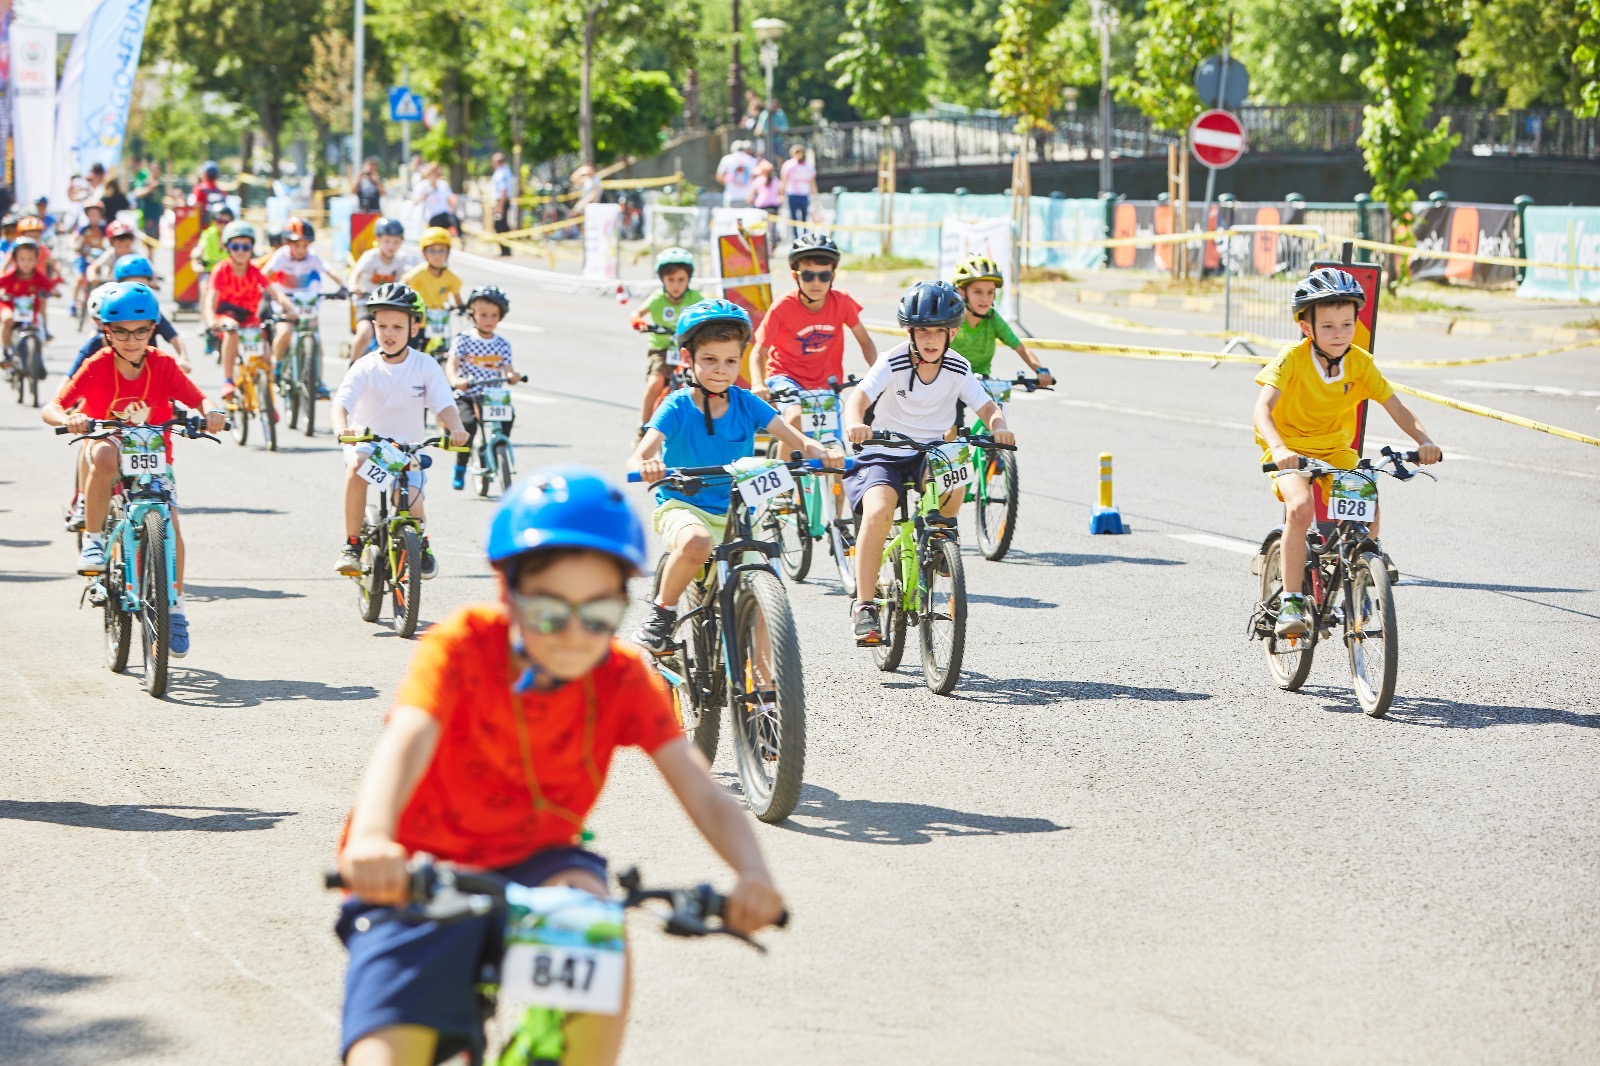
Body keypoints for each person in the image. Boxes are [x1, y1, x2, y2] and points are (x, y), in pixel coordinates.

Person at [333, 466, 786, 1066]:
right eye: (551, 612)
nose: (575, 635)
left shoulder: (620, 677)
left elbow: (701, 789)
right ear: (509, 594)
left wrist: (752, 872)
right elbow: (410, 737)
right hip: (418, 862)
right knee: (386, 1053)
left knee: (593, 922)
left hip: (541, 859)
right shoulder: (464, 644)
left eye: (597, 615)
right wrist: (372, 838)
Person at [627, 300, 832, 652]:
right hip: (683, 506)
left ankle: (768, 693)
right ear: (688, 358)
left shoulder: (747, 402)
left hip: (736, 510)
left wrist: (823, 452)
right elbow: (640, 453)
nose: (721, 370)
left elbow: (797, 440)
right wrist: (646, 464)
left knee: (767, 591)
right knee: (697, 544)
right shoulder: (677, 405)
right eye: (710, 360)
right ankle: (662, 613)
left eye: (731, 361)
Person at [1253, 267, 1442, 639]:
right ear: (1306, 328)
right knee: (1301, 507)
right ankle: (1291, 599)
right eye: (1327, 326)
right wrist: (1279, 448)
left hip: (1335, 448)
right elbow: (1262, 409)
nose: (1339, 334)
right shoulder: (1292, 359)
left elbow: (1398, 408)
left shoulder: (1360, 363)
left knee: (1366, 492)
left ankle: (1363, 568)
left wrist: (1425, 441)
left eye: (1346, 324)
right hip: (1288, 447)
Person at [41, 283, 228, 657]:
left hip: (154, 458)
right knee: (106, 455)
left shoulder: (163, 364)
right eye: (121, 332)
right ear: (107, 333)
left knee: (171, 524)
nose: (132, 340)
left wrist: (211, 411)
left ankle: (174, 607)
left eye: (141, 331)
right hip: (109, 447)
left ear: (152, 329)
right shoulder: (97, 365)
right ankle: (94, 541)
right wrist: (72, 418)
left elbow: (198, 396)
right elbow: (53, 407)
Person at [841, 281, 1014, 645]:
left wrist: (1000, 427)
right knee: (878, 512)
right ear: (910, 332)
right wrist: (856, 423)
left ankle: (941, 535)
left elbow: (987, 407)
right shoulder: (893, 360)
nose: (931, 339)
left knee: (957, 469)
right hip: (884, 451)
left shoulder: (957, 366)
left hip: (930, 452)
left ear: (952, 332)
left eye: (939, 331)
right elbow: (859, 397)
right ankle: (865, 606)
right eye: (923, 331)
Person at [331, 282, 469, 579]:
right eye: (381, 326)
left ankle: (420, 541)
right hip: (368, 443)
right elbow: (340, 404)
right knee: (357, 466)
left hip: (407, 449)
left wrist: (456, 428)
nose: (388, 333)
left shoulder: (425, 365)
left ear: (414, 328)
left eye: (397, 326)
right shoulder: (364, 366)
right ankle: (352, 545)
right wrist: (342, 428)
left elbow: (444, 405)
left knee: (412, 505)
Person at [750, 232, 876, 431]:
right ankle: (782, 463)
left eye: (824, 275)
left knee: (830, 444)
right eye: (808, 276)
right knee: (796, 418)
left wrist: (878, 375)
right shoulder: (782, 307)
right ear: (795, 276)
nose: (816, 282)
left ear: (832, 277)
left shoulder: (842, 303)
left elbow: (865, 342)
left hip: (826, 384)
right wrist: (758, 383)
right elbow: (759, 351)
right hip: (785, 376)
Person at [203, 221, 297, 400]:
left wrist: (290, 309)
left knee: (267, 355)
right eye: (235, 246)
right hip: (226, 315)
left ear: (251, 248)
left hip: (249, 318)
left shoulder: (254, 271)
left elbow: (274, 292)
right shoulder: (220, 270)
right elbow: (210, 299)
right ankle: (228, 380)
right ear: (227, 248)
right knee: (232, 330)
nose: (240, 251)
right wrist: (210, 321)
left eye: (245, 247)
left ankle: (267, 401)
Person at [444, 284, 523, 490]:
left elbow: (508, 369)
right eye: (484, 314)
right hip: (467, 393)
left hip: (493, 395)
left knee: (509, 416)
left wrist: (512, 376)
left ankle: (497, 448)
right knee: (467, 425)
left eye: (494, 315)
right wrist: (455, 379)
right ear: (472, 314)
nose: (489, 320)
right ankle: (461, 466)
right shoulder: (464, 340)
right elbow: (451, 365)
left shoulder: (502, 343)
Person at [69, 254, 189, 378]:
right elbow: (96, 337)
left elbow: (174, 337)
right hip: (118, 376)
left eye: (141, 285)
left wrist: (183, 358)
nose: (135, 290)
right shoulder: (114, 313)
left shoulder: (152, 313)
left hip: (149, 373)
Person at [629, 247, 703, 436]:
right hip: (661, 349)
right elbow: (637, 313)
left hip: (686, 348)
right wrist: (638, 321)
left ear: (688, 280)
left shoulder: (694, 297)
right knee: (655, 383)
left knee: (701, 382)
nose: (676, 285)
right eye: (671, 280)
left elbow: (707, 310)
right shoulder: (657, 298)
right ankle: (643, 427)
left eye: (681, 280)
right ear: (662, 280)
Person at [948, 256, 1052, 387]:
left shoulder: (993, 318)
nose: (985, 299)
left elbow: (1020, 348)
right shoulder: (951, 318)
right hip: (950, 378)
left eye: (990, 292)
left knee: (995, 406)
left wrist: (1040, 370)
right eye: (978, 292)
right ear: (962, 292)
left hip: (981, 380)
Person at [349, 218, 420, 361]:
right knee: (364, 332)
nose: (391, 246)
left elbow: (407, 278)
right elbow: (356, 273)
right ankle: (351, 366)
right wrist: (354, 287)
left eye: (395, 242)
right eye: (387, 241)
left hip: (389, 304)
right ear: (378, 239)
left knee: (401, 333)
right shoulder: (371, 256)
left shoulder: (401, 259)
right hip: (367, 302)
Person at [0, 237, 60, 370]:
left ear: (36, 260)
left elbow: (49, 286)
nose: (26, 263)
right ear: (15, 260)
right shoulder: (11, 276)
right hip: (10, 306)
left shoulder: (38, 276)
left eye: (30, 259)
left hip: (30, 310)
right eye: (22, 259)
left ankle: (37, 360)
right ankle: (6, 351)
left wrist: (55, 292)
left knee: (38, 332)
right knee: (7, 320)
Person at [401, 227, 463, 335]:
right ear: (424, 253)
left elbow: (458, 298)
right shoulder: (419, 272)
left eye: (441, 251)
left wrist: (461, 307)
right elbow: (402, 285)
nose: (437, 255)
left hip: (438, 322)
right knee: (412, 348)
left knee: (441, 348)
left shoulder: (450, 277)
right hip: (418, 321)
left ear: (448, 253)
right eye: (432, 251)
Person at [190, 203, 234, 313]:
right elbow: (199, 249)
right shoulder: (208, 234)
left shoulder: (233, 237)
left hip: (228, 273)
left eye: (226, 222)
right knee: (206, 291)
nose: (222, 225)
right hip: (209, 272)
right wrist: (195, 258)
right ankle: (205, 323)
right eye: (219, 221)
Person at [86, 219, 139, 288]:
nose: (123, 249)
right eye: (119, 246)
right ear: (112, 245)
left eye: (127, 246)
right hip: (111, 287)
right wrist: (93, 277)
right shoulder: (111, 254)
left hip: (130, 286)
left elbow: (148, 269)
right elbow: (93, 267)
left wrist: (153, 280)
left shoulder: (134, 255)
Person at [413, 163, 458, 232]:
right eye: (433, 173)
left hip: (445, 215)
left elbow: (450, 200)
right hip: (432, 217)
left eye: (438, 174)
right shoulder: (422, 186)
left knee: (455, 221)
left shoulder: (443, 185)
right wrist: (424, 196)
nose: (435, 176)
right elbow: (415, 201)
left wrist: (453, 207)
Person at [780, 144, 815, 230]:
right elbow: (784, 181)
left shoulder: (808, 166)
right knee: (793, 217)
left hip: (804, 193)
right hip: (792, 193)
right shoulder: (788, 165)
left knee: (804, 216)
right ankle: (796, 237)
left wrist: (815, 196)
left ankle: (805, 235)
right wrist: (781, 194)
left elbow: (812, 182)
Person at [715, 141, 758, 209]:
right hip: (747, 197)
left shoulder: (726, 159)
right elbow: (756, 178)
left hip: (730, 196)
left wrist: (728, 182)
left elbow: (719, 177)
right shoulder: (752, 160)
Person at [490, 152, 515, 258]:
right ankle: (506, 250)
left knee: (500, 225)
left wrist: (500, 207)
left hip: (502, 201)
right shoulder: (507, 171)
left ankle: (505, 250)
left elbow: (503, 191)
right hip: (503, 201)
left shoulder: (501, 173)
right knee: (503, 225)